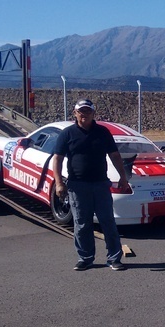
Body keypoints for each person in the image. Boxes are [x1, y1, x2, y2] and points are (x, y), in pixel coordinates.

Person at [52, 98, 129, 271]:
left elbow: (115, 156)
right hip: (77, 186)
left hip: (101, 184)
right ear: (75, 113)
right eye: (81, 111)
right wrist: (58, 183)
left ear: (94, 113)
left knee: (108, 221)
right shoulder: (67, 134)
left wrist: (123, 177)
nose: (84, 114)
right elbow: (57, 159)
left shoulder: (103, 132)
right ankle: (85, 258)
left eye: (87, 111)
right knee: (82, 223)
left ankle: (114, 258)